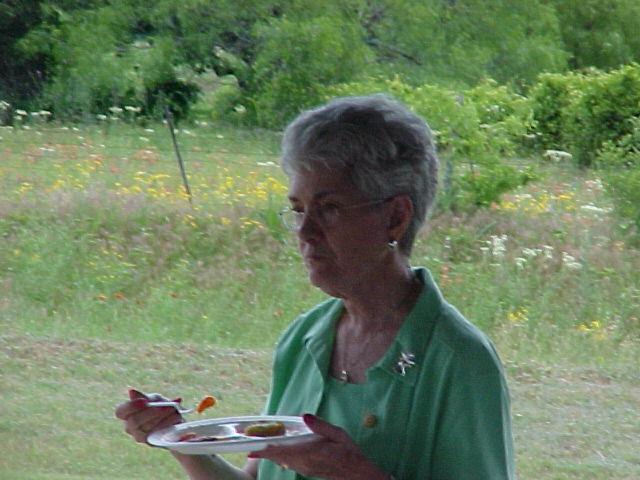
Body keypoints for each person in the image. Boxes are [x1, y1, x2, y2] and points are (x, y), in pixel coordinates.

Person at [116, 94, 515, 479]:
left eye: (329, 209)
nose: (305, 232)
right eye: (298, 210)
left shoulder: (458, 361)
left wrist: (354, 474)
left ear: (395, 218)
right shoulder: (305, 340)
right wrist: (180, 438)